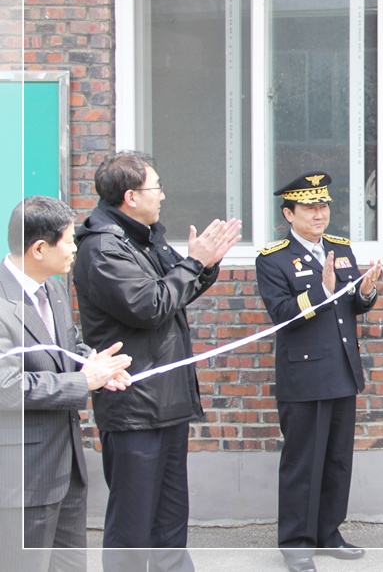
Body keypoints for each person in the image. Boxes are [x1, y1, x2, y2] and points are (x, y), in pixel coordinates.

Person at [72, 151, 240, 569]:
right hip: (135, 406)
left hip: (165, 401)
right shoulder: (103, 247)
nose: (162, 195)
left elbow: (175, 292)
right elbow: (149, 305)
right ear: (131, 196)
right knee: (133, 524)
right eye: (156, 187)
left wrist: (205, 266)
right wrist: (195, 261)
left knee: (169, 518)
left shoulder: (143, 236)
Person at [255, 171, 382, 572]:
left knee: (337, 460)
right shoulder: (272, 258)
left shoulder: (341, 249)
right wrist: (322, 291)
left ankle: (329, 533)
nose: (319, 214)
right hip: (304, 377)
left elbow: (351, 307)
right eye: (309, 207)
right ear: (288, 214)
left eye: (323, 205)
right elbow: (282, 314)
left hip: (342, 370)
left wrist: (366, 292)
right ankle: (296, 543)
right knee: (303, 463)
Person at [0, 196, 132, 572]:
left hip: (66, 468)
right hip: (22, 476)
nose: (75, 248)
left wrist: (95, 365)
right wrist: (81, 381)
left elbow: (67, 345)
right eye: (70, 241)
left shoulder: (54, 288)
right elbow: (7, 386)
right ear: (40, 249)